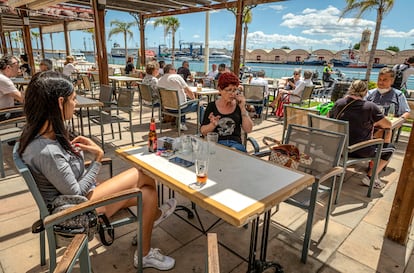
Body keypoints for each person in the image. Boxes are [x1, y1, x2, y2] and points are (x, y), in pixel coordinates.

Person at [19, 71, 176, 270]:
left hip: (74, 203)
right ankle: (154, 220)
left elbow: (65, 178)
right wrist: (98, 159)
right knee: (142, 174)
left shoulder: (40, 135)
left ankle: (150, 230)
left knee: (148, 194)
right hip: (75, 214)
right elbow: (76, 192)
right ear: (60, 102)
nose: (75, 104)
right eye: (73, 99)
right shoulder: (45, 150)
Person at [329, 80, 394, 189]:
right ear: (365, 92)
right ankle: (370, 177)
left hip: (337, 147)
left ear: (350, 89)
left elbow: (329, 118)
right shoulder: (370, 107)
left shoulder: (339, 103)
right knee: (390, 149)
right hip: (358, 150)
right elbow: (388, 125)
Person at [200, 72, 253, 152]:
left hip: (235, 145)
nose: (232, 94)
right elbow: (203, 132)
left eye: (234, 90)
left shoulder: (239, 106)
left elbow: (248, 129)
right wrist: (213, 124)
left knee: (232, 151)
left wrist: (243, 108)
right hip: (216, 144)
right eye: (229, 90)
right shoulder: (212, 106)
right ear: (220, 90)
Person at [157, 64, 204, 131]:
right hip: (179, 108)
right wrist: (194, 99)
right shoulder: (176, 77)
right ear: (171, 70)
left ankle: (182, 123)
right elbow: (188, 91)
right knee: (200, 105)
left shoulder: (160, 80)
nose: (176, 72)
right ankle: (203, 126)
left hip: (167, 107)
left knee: (183, 100)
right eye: (175, 70)